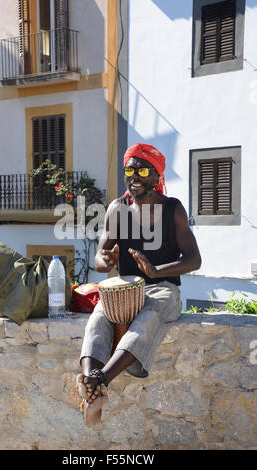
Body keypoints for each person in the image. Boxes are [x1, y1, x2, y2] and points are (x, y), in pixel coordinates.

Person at [76, 142, 202, 427]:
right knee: (98, 318)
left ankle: (100, 380)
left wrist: (156, 270)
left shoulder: (173, 209)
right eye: (129, 170)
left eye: (143, 169)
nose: (135, 176)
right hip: (124, 288)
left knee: (148, 319)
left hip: (163, 288)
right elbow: (98, 258)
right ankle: (89, 382)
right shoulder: (116, 209)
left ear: (156, 177)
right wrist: (105, 260)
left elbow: (194, 259)